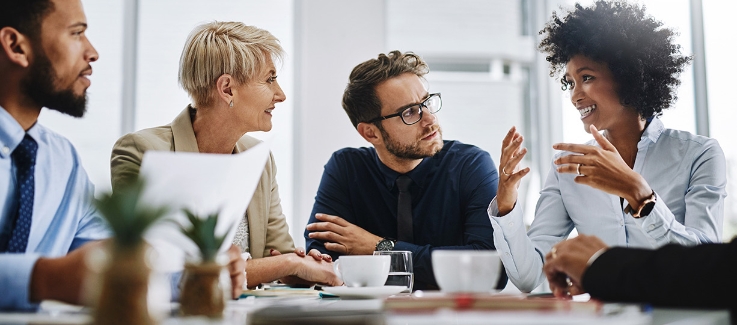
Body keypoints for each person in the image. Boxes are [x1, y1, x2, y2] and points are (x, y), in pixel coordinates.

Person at [0, 0, 247, 310]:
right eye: (76, 33)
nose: (92, 52)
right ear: (16, 46)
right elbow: (59, 276)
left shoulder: (62, 161)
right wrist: (42, 278)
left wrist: (191, 276)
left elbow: (107, 259)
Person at [488, 0, 726, 292]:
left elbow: (706, 267)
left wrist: (639, 195)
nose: (575, 96)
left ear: (629, 76)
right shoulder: (567, 166)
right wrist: (506, 204)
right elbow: (530, 276)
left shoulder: (699, 155)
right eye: (569, 83)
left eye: (586, 78)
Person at [110, 21, 340, 288]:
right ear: (227, 88)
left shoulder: (260, 158)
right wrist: (286, 264)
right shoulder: (142, 151)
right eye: (270, 79)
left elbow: (278, 254)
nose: (281, 95)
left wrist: (301, 266)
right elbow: (155, 269)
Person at [304, 51, 505, 290]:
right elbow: (323, 264)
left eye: (426, 102)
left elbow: (489, 270)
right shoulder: (346, 168)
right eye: (410, 112)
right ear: (371, 133)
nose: (430, 119)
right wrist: (437, 264)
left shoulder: (470, 165)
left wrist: (379, 248)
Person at [543, 234, 737, 313]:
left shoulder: (702, 152)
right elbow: (529, 275)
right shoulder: (561, 169)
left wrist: (604, 264)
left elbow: (721, 267)